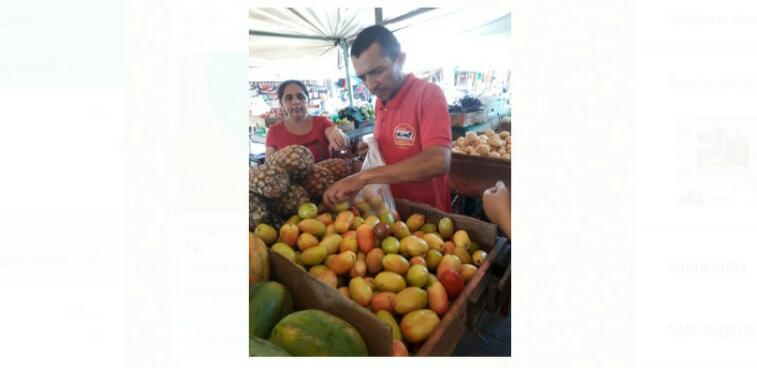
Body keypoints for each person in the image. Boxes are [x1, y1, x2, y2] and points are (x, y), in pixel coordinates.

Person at [323, 25, 452, 210]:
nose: (370, 85)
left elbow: (438, 161)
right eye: (363, 78)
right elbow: (401, 145)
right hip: (390, 210)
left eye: (377, 71)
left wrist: (363, 177)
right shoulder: (380, 100)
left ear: (400, 59)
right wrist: (375, 147)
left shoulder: (428, 94)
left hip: (426, 216)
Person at [265, 80, 350, 161]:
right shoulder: (274, 132)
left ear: (308, 100)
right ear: (281, 104)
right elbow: (269, 167)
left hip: (325, 175)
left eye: (300, 97)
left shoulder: (322, 122)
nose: (296, 101)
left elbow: (332, 131)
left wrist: (338, 135)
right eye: (289, 98)